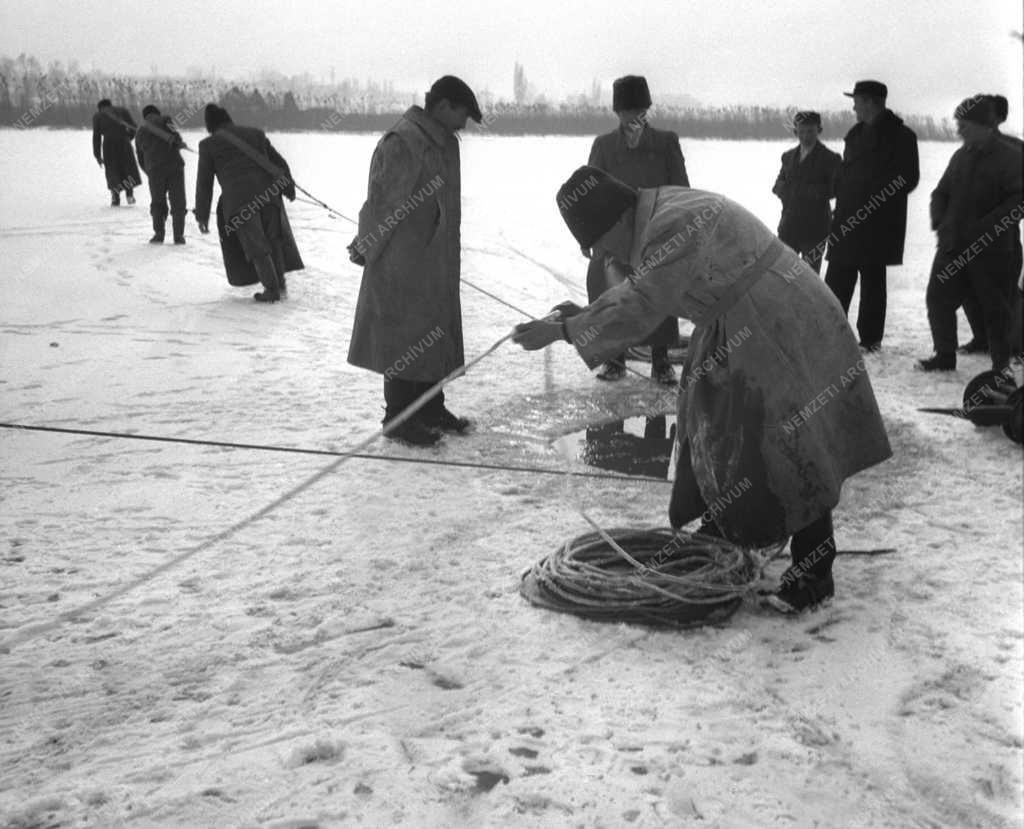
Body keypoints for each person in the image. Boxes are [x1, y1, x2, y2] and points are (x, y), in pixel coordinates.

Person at [513, 166, 892, 613]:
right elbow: (646, 288)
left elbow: (642, 303)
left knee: (787, 439)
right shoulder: (659, 212)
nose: (601, 254)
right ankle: (724, 528)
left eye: (596, 245)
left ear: (614, 221)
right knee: (714, 419)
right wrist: (582, 317)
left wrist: (564, 330)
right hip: (744, 316)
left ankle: (813, 571)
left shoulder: (668, 225)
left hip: (776, 322)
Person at [347, 75, 482, 446]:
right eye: (462, 115)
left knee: (433, 333)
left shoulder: (441, 143)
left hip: (435, 260)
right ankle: (398, 418)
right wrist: (367, 244)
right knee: (405, 339)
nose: (464, 124)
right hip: (403, 263)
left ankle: (429, 408)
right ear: (442, 106)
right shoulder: (404, 141)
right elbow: (383, 202)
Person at [585, 75, 690, 384]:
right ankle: (615, 359)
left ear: (647, 110)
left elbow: (681, 189)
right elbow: (590, 193)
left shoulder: (666, 142)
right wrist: (591, 235)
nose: (632, 117)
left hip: (657, 233)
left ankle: (661, 361)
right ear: (617, 113)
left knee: (659, 295)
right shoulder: (604, 146)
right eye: (626, 112)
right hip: (616, 237)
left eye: (638, 111)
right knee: (615, 296)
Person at [919, 96, 1023, 373]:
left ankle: (1001, 366)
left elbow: (1018, 202)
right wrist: (940, 220)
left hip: (994, 250)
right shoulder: (960, 156)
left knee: (996, 309)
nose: (959, 131)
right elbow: (940, 192)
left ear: (984, 126)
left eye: (964, 125)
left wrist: (986, 228)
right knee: (938, 299)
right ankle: (944, 356)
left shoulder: (1011, 157)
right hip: (952, 246)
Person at [824, 80, 920, 352]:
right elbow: (846, 172)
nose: (853, 106)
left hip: (877, 224)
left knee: (872, 283)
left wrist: (871, 196)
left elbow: (907, 179)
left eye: (857, 100)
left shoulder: (902, 137)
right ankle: (830, 333)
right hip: (847, 219)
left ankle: (870, 340)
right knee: (836, 280)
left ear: (870, 102)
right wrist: (838, 189)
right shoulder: (855, 134)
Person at [194, 104, 303, 303]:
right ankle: (278, 283)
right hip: (269, 195)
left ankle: (271, 289)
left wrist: (202, 215)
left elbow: (204, 184)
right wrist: (288, 188)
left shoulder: (208, 145)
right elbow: (279, 163)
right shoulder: (255, 135)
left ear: (209, 125)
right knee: (273, 240)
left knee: (256, 245)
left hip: (240, 201)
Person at [772, 111, 841, 274]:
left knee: (808, 278)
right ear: (795, 132)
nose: (805, 135)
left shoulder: (831, 158)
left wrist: (802, 191)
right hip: (788, 227)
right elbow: (777, 185)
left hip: (815, 230)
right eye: (801, 131)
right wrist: (786, 190)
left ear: (819, 130)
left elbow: (834, 189)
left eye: (810, 131)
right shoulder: (788, 157)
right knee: (783, 274)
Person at [135, 104, 187, 244]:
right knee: (178, 201)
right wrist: (180, 143)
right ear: (157, 113)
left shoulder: (139, 132)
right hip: (174, 167)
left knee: (158, 202)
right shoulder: (166, 120)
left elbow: (140, 158)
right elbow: (176, 138)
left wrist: (150, 172)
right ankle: (178, 236)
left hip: (154, 170)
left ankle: (159, 234)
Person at [92, 99, 141, 207]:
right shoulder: (123, 111)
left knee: (112, 170)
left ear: (100, 107)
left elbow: (97, 137)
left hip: (109, 145)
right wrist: (129, 138)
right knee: (127, 168)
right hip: (124, 143)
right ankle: (129, 195)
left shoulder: (98, 115)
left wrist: (98, 155)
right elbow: (134, 127)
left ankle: (115, 197)